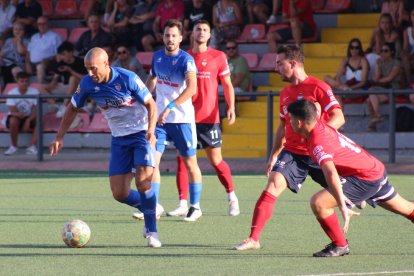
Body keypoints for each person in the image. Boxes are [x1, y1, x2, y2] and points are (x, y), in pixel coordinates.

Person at [233, 44, 345, 251]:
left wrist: (319, 136)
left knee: (348, 192)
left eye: (279, 63)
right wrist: (274, 153)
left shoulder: (319, 87)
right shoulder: (285, 93)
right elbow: (283, 126)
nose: (276, 68)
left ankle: (344, 233)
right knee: (273, 184)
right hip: (293, 153)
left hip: (319, 152)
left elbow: (339, 117)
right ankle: (253, 238)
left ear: (293, 63)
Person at [49, 47, 161, 248]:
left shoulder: (128, 78)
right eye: (86, 69)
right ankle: (150, 207)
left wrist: (151, 130)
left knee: (143, 183)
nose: (90, 73)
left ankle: (152, 231)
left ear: (106, 64)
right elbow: (73, 108)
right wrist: (60, 136)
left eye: (93, 69)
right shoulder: (87, 84)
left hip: (141, 134)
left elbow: (151, 104)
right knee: (119, 194)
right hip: (119, 139)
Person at [287, 99, 414, 257]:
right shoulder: (318, 122)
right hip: (373, 169)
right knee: (407, 208)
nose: (289, 123)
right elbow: (317, 107)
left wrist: (342, 205)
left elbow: (331, 173)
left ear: (299, 123)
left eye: (290, 119)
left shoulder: (318, 142)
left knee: (319, 203)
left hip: (364, 178)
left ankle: (340, 245)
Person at [167, 20, 239, 217]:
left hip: (209, 118)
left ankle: (232, 196)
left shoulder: (218, 56)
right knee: (182, 160)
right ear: (192, 33)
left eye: (205, 30)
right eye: (198, 28)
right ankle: (183, 203)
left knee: (216, 160)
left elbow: (228, 84)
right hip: (186, 117)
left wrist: (231, 107)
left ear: (210, 35)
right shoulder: (183, 57)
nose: (201, 32)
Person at [145, 19, 204, 222]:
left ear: (180, 38)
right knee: (152, 163)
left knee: (190, 162)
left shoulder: (186, 60)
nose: (170, 39)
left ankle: (195, 207)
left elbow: (192, 88)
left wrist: (170, 107)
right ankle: (154, 206)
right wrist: (142, 98)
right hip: (160, 121)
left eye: (173, 36)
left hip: (182, 119)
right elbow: (152, 79)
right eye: (167, 35)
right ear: (163, 37)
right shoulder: (157, 57)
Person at [39, 41, 88, 118]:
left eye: (64, 54)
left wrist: (70, 70)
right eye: (61, 55)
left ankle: (64, 106)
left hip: (79, 88)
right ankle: (55, 106)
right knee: (41, 87)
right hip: (67, 88)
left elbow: (86, 79)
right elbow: (56, 77)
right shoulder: (61, 62)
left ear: (71, 52)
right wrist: (52, 84)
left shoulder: (81, 62)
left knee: (72, 78)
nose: (62, 57)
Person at [366, 42, 402, 132]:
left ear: (392, 52)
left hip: (393, 88)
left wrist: (377, 81)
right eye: (381, 51)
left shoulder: (396, 63)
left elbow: (389, 78)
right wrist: (377, 66)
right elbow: (375, 78)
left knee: (370, 97)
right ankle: (377, 116)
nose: (383, 53)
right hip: (382, 89)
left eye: (386, 51)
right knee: (370, 97)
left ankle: (374, 123)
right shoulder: (381, 63)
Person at [324, 38, 369, 106]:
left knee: (337, 93)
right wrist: (342, 86)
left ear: (360, 49)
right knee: (326, 77)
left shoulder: (363, 61)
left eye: (356, 48)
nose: (354, 50)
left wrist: (351, 88)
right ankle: (341, 115)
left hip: (358, 88)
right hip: (345, 87)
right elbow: (338, 76)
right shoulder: (346, 60)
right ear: (349, 49)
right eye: (352, 47)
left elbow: (363, 82)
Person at [4, 71, 39, 156]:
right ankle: (13, 146)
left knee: (40, 119)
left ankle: (31, 146)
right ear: (17, 82)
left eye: (26, 81)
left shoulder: (35, 92)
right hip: (16, 116)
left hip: (29, 116)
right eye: (22, 81)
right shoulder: (12, 93)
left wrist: (28, 120)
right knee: (13, 120)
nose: (24, 83)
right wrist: (20, 116)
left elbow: (37, 110)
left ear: (29, 82)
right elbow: (13, 111)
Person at [27, 16, 63, 84]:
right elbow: (28, 52)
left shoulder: (55, 36)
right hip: (32, 64)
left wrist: (48, 60)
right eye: (39, 24)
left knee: (40, 67)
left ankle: (41, 90)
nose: (42, 26)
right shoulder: (34, 37)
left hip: (48, 63)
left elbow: (60, 54)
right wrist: (27, 63)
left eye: (44, 24)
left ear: (48, 24)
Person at [0, 21, 29, 85]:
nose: (17, 31)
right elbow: (2, 53)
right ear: (13, 30)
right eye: (15, 29)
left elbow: (21, 52)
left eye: (20, 29)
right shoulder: (9, 40)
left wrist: (19, 40)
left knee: (14, 69)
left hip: (19, 64)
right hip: (5, 63)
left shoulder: (26, 41)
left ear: (24, 31)